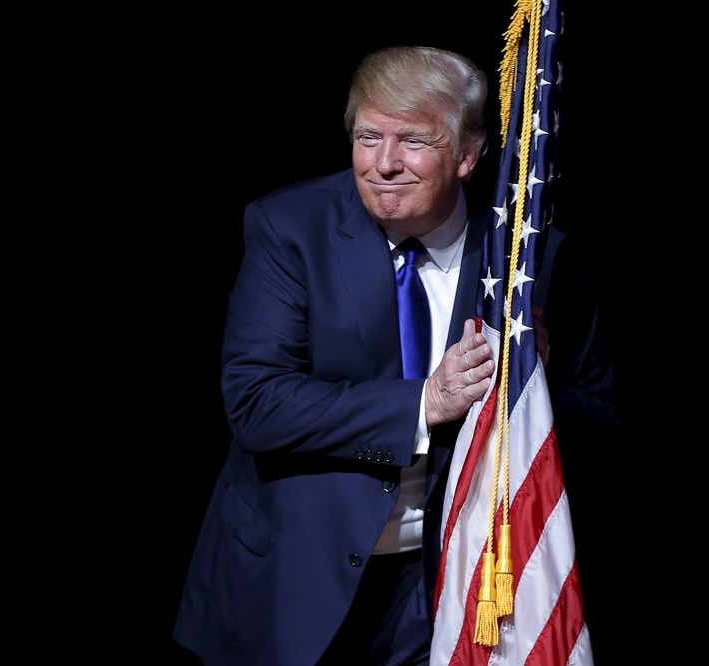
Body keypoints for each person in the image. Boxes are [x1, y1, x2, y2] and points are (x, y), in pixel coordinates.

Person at [172, 45, 618, 665]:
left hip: (447, 588)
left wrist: (531, 384)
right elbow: (257, 405)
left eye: (413, 141)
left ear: (465, 155)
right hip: (293, 581)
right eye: (367, 137)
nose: (383, 164)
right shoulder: (289, 229)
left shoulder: (531, 256)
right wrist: (426, 402)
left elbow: (602, 424)